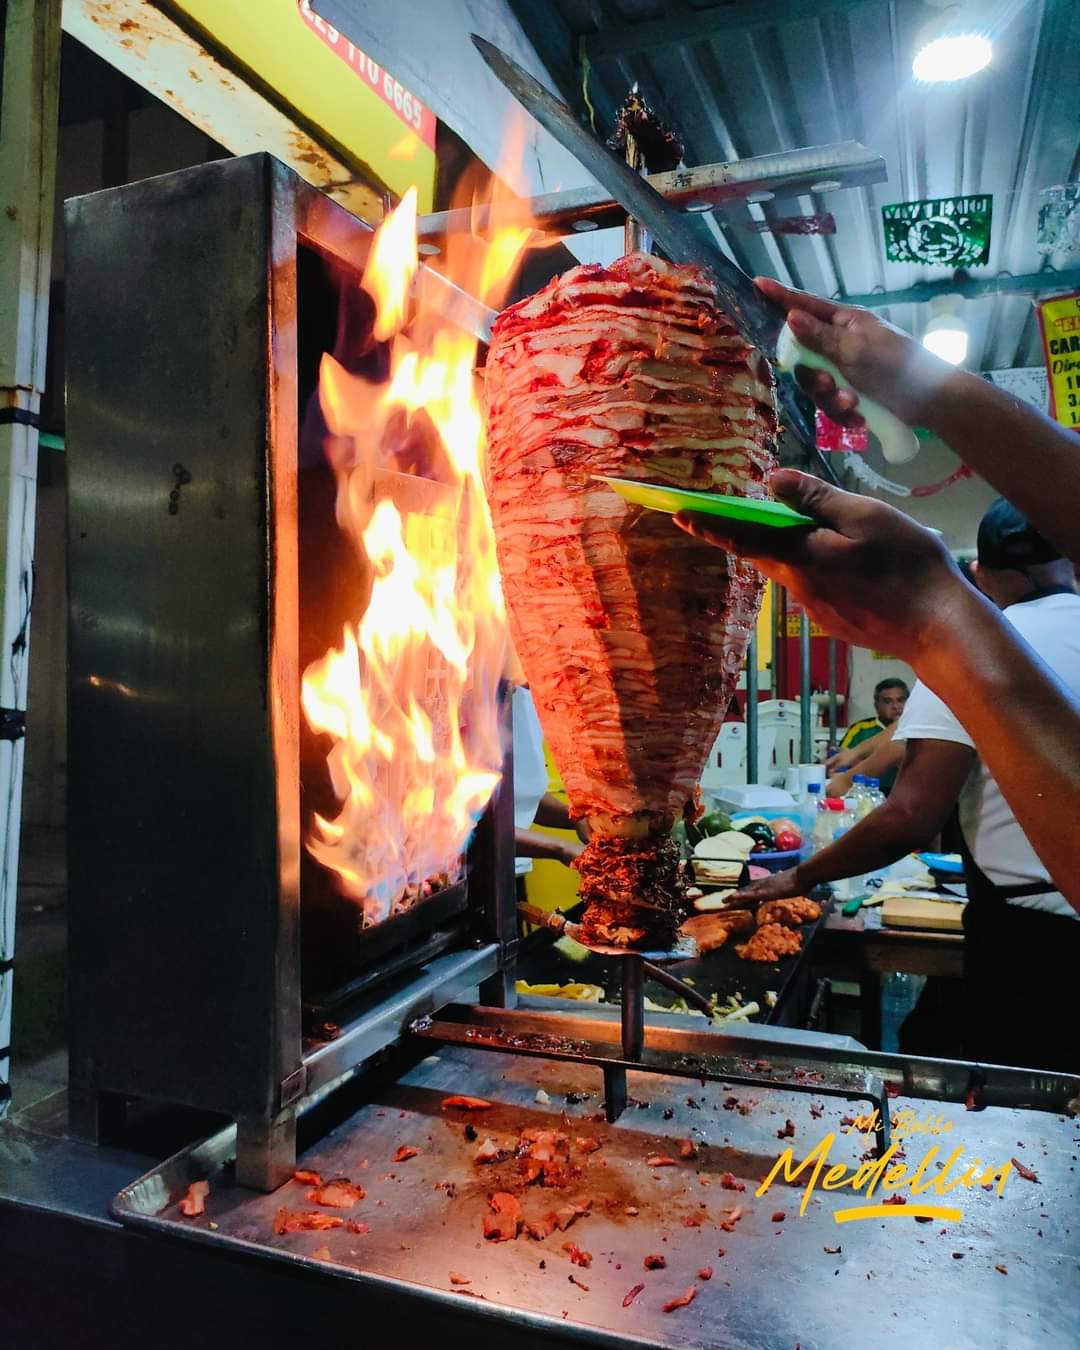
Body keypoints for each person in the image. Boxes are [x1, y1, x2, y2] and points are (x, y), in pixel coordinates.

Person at [674, 277, 1080, 915]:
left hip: (1038, 935)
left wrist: (935, 619)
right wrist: (923, 384)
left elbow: (914, 810)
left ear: (994, 571)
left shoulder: (1002, 633)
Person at [720, 500, 1080, 1069]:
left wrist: (796, 876)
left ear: (979, 575)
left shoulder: (976, 645)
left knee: (1029, 1123)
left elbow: (913, 813)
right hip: (1042, 926)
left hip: (1036, 944)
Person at [512, 685, 582, 895]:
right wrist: (559, 847)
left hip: (512, 872)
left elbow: (521, 795)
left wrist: (577, 818)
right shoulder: (473, 701)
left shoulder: (527, 700)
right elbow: (470, 825)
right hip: (469, 881)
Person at [832, 678, 908, 792]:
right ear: (876, 705)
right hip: (867, 791)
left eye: (901, 700)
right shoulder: (860, 729)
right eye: (888, 701)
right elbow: (842, 755)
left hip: (905, 791)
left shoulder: (915, 730)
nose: (896, 707)